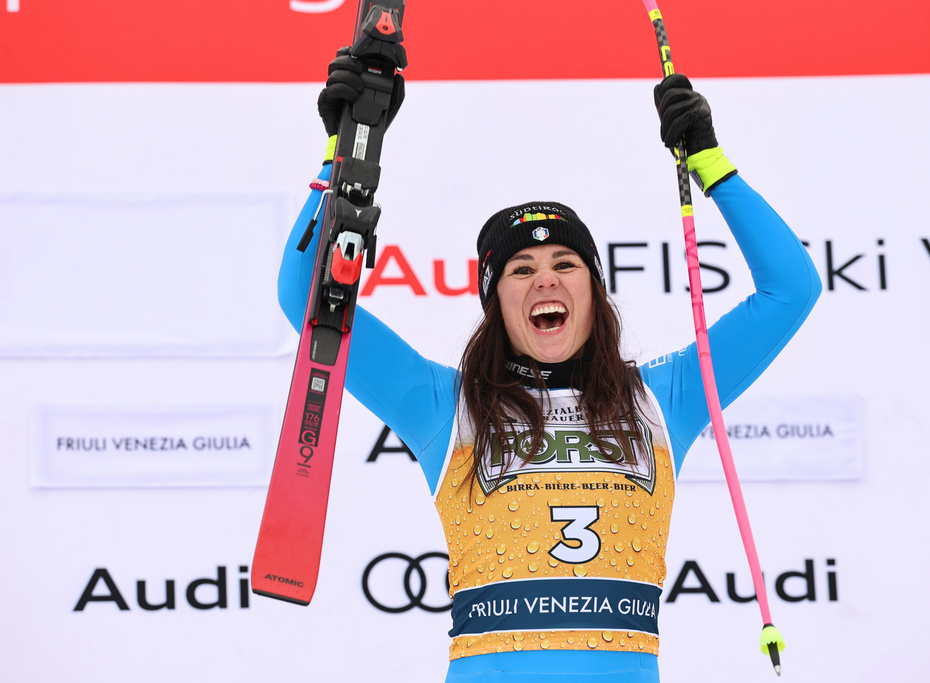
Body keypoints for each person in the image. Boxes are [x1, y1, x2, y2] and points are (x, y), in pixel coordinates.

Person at [277, 53, 822, 683]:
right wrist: (341, 156)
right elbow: (306, 299)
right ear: (495, 302)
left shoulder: (666, 398)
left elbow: (791, 290)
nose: (545, 281)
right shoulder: (442, 406)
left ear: (594, 289)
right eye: (521, 270)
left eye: (566, 264)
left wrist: (711, 164)